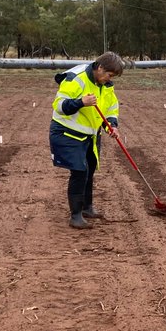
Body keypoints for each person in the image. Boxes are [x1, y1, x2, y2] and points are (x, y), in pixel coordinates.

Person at [49, 51, 125, 229]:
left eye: (112, 76)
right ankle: (75, 216)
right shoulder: (76, 79)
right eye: (108, 74)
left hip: (90, 134)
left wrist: (111, 126)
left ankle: (87, 208)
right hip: (67, 132)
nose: (109, 78)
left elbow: (111, 108)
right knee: (79, 171)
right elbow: (59, 106)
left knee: (89, 168)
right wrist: (81, 102)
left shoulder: (105, 85)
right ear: (99, 67)